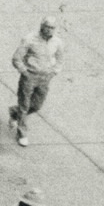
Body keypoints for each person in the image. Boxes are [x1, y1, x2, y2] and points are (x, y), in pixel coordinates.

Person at [8, 16, 64, 147]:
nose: (50, 30)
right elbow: (16, 58)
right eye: (48, 27)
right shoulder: (29, 39)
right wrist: (24, 72)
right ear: (42, 26)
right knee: (24, 105)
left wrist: (54, 72)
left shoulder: (57, 42)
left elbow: (60, 59)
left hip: (45, 77)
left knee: (37, 105)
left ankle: (14, 113)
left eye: (53, 28)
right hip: (29, 76)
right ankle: (22, 133)